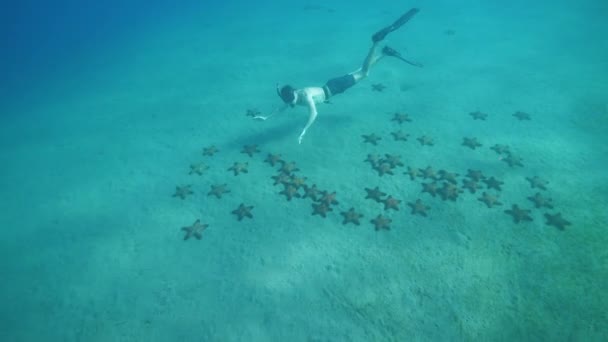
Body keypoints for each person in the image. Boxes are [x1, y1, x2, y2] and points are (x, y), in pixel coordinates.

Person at [254, 8, 422, 144]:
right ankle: (385, 53)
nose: (290, 104)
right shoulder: (293, 96)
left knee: (364, 72)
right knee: (361, 70)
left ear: (293, 95)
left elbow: (314, 114)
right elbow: (282, 107)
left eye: (290, 101)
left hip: (335, 87)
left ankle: (377, 42)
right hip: (331, 85)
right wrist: (267, 117)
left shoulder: (305, 96)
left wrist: (304, 130)